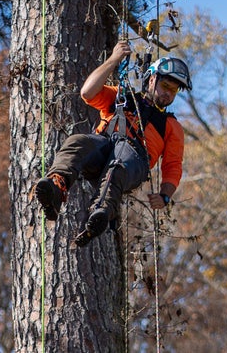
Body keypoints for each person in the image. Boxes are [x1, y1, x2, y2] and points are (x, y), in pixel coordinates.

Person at [35, 41, 189, 247]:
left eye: (174, 90)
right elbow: (88, 93)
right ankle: (56, 185)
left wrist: (165, 196)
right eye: (166, 86)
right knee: (77, 142)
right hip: (104, 146)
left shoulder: (171, 126)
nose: (169, 93)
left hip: (134, 162)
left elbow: (173, 165)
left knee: (119, 163)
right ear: (152, 79)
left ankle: (101, 213)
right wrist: (114, 59)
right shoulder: (123, 97)